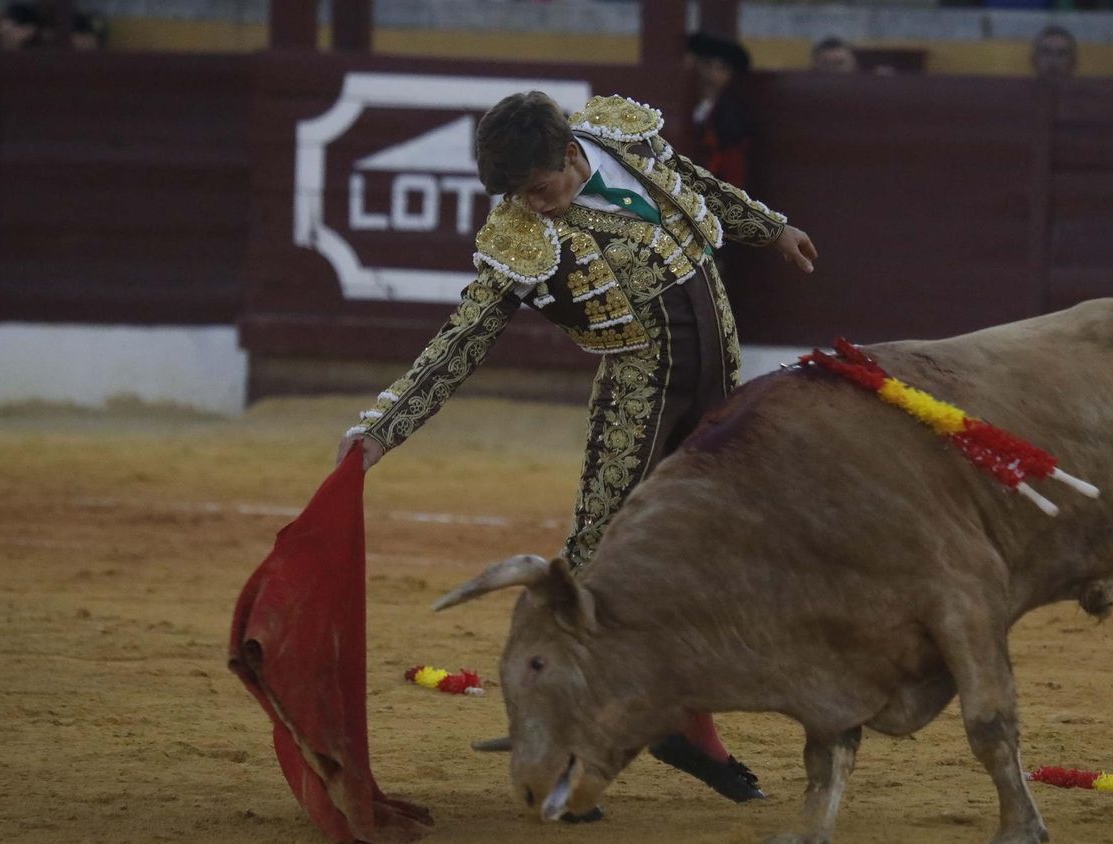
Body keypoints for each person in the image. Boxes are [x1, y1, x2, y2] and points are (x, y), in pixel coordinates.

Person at [335, 92, 818, 804]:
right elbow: (461, 340)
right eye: (518, 197)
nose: (534, 208)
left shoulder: (624, 140)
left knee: (706, 554)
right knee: (595, 567)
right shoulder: (520, 237)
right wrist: (383, 428)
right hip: (639, 397)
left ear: (569, 155)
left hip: (718, 382)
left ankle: (688, 728)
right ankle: (564, 741)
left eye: (539, 189)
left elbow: (697, 183)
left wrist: (769, 229)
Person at [686, 31, 754, 188]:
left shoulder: (733, 116)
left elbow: (733, 170)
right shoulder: (684, 102)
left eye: (721, 68)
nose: (712, 74)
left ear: (730, 75)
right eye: (708, 65)